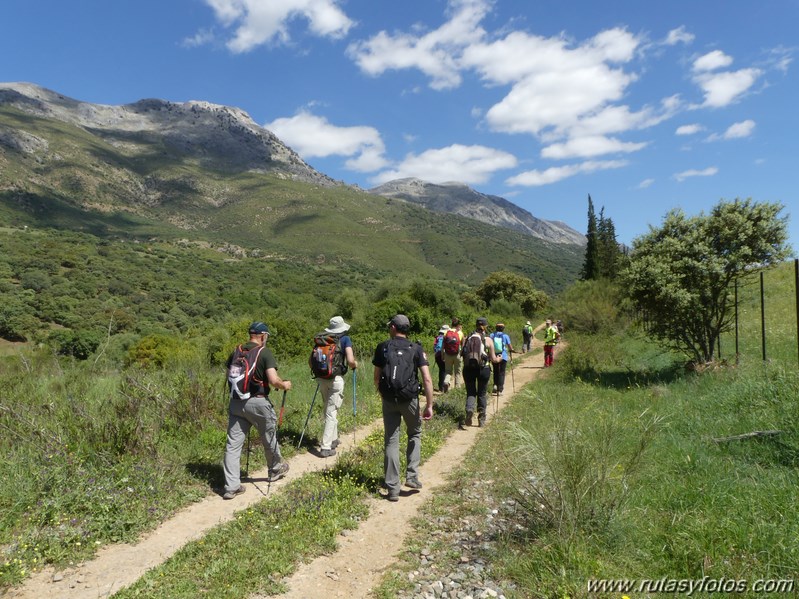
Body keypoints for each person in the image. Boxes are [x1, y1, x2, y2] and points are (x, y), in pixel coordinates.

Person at [222, 322, 292, 500]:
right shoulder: (264, 352)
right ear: (263, 336)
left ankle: (231, 486)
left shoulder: (236, 351)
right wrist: (284, 385)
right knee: (268, 437)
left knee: (233, 445)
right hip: (258, 402)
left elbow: (230, 373)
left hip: (236, 403)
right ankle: (275, 469)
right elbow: (273, 380)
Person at [372, 314, 434, 502]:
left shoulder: (383, 347)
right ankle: (412, 477)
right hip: (410, 399)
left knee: (391, 439)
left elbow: (376, 377)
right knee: (414, 433)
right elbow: (427, 378)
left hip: (389, 399)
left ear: (393, 328)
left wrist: (383, 395)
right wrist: (429, 405)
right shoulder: (416, 349)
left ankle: (392, 488)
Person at [316, 316, 358, 458]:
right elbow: (351, 360)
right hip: (336, 378)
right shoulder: (345, 339)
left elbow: (311, 362)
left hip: (321, 378)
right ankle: (326, 447)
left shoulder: (322, 339)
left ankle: (333, 439)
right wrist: (354, 365)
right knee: (331, 412)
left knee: (327, 408)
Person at [460, 317, 499, 428]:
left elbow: (462, 353)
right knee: (482, 393)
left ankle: (469, 409)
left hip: (468, 369)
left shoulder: (468, 338)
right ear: (485, 327)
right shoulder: (488, 340)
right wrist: (499, 359)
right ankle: (481, 419)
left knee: (471, 392)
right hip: (483, 369)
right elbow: (494, 359)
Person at [489, 323, 513, 394]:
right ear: (503, 328)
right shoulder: (505, 336)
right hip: (503, 356)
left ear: (496, 328)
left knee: (495, 371)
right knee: (502, 373)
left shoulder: (492, 335)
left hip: (494, 356)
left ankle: (495, 385)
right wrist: (511, 349)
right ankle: (500, 389)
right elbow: (510, 347)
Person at [442, 317, 464, 391]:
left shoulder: (446, 333)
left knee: (448, 371)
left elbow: (443, 346)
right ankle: (457, 389)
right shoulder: (460, 333)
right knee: (458, 372)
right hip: (457, 354)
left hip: (448, 354)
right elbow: (463, 346)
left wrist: (443, 355)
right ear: (458, 325)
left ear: (451, 324)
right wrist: (461, 355)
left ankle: (446, 381)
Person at [433, 324, 449, 392]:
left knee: (441, 370)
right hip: (445, 355)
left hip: (437, 356)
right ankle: (443, 387)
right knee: (445, 371)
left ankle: (440, 387)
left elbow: (434, 347)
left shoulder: (437, 337)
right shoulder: (447, 337)